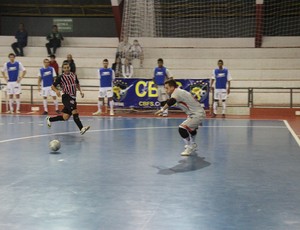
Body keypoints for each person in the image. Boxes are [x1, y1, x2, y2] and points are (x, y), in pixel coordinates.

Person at [155, 79, 205, 156]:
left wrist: (162, 110)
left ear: (172, 87)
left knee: (182, 128)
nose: (165, 90)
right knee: (192, 129)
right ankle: (193, 144)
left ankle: (189, 147)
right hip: (196, 112)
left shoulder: (176, 93)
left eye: (167, 88)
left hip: (196, 114)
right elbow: (170, 101)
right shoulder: (179, 92)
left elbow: (171, 101)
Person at [46, 63, 90, 135]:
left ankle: (50, 119)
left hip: (73, 97)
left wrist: (81, 92)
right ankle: (81, 128)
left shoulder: (73, 75)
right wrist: (57, 91)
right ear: (63, 69)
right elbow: (52, 86)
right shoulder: (60, 77)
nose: (66, 69)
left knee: (65, 117)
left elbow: (77, 84)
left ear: (69, 68)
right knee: (74, 111)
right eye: (65, 68)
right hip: (66, 96)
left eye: (67, 67)